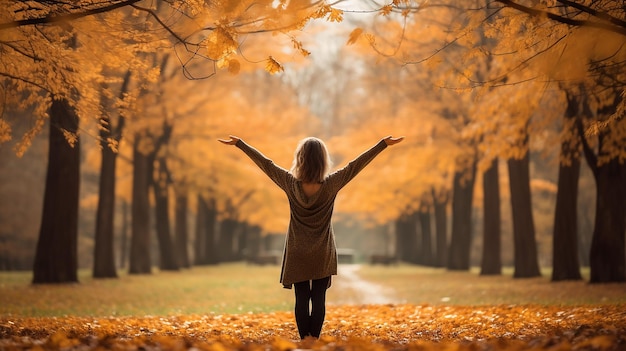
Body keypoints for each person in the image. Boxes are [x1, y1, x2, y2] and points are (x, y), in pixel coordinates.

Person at [218, 135, 404, 339]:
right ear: (323, 160)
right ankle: (313, 341)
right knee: (318, 298)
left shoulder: (290, 183)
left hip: (297, 251)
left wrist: (240, 144)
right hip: (322, 250)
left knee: (301, 297)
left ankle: (304, 341)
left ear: (300, 159)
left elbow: (266, 164)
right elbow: (355, 165)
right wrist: (382, 145)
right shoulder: (332, 183)